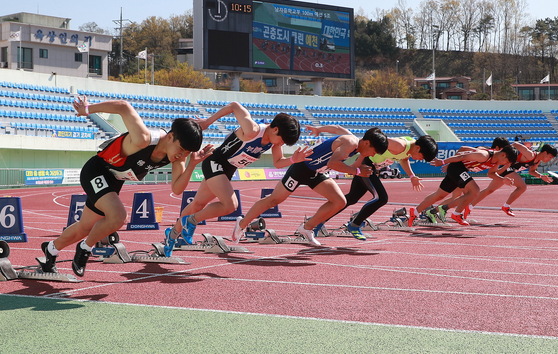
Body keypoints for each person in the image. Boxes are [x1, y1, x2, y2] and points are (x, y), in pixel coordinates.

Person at [39, 97, 211, 276]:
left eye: (186, 153)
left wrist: (192, 164)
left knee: (85, 226)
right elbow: (124, 106)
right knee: (119, 216)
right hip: (97, 170)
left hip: (113, 179)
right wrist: (87, 109)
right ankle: (85, 248)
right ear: (170, 137)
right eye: (181, 149)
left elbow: (177, 189)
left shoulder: (179, 157)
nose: (181, 155)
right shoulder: (144, 139)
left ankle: (50, 251)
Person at [163, 101, 311, 257]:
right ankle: (190, 221)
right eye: (282, 140)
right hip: (215, 163)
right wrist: (207, 122)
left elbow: (278, 163)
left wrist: (293, 160)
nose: (281, 144)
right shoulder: (252, 130)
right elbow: (234, 106)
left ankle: (172, 235)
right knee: (230, 205)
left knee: (198, 204)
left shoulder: (273, 143)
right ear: (275, 129)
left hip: (227, 170)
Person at [233, 126, 388, 246]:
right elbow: (333, 163)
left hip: (316, 173)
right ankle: (241, 223)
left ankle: (307, 228)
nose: (372, 155)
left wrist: (319, 129)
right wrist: (358, 171)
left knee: (339, 201)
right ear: (367, 143)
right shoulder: (350, 143)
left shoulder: (358, 146)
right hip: (301, 169)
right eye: (373, 151)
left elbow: (338, 129)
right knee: (274, 200)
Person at [315, 133, 438, 240]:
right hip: (366, 164)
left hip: (370, 165)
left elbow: (404, 159)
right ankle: (354, 225)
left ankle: (317, 221)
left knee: (352, 198)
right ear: (417, 148)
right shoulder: (399, 145)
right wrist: (358, 163)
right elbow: (375, 141)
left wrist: (412, 176)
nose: (421, 159)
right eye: (422, 157)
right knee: (381, 198)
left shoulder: (410, 149)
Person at [416, 144, 518, 226]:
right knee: (474, 191)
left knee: (441, 195)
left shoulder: (496, 162)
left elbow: (491, 173)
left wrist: (503, 179)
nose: (506, 164)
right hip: (457, 168)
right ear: (503, 155)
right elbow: (462, 154)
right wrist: (444, 162)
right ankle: (454, 213)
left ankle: (423, 212)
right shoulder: (483, 155)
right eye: (507, 162)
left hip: (460, 170)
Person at [464, 143, 558, 217]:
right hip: (506, 168)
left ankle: (469, 206)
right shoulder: (530, 155)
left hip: (507, 170)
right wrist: (506, 151)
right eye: (549, 157)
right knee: (522, 187)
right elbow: (516, 144)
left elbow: (532, 171)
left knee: (489, 190)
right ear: (545, 152)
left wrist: (541, 176)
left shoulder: (537, 161)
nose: (549, 160)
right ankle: (506, 206)